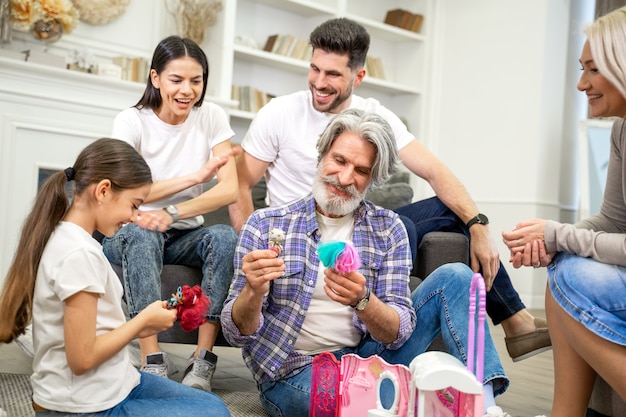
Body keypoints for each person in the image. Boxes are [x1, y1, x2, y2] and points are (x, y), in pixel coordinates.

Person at [228, 17, 549, 362]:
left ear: (358, 76)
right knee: (407, 227)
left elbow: (435, 172)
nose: (319, 83)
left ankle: (511, 321)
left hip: (357, 227)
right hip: (300, 234)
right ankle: (505, 321)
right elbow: (240, 185)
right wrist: (258, 250)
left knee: (449, 212)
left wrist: (479, 225)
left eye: (333, 74)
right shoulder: (279, 113)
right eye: (315, 69)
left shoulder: (375, 116)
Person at [221, 109, 510, 417]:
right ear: (321, 156)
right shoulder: (265, 225)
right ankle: (405, 398)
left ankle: (486, 405)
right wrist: (253, 292)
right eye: (339, 160)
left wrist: (363, 302)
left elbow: (397, 332)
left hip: (369, 359)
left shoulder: (389, 229)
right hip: (294, 371)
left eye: (360, 170)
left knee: (457, 276)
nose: (345, 178)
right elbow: (237, 332)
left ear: (373, 179)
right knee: (344, 403)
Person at [0, 138, 230, 416]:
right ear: (104, 191)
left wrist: (146, 323)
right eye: (134, 205)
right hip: (82, 404)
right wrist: (141, 322)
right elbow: (81, 359)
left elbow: (99, 328)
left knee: (212, 406)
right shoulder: (78, 255)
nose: (134, 217)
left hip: (115, 382)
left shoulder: (77, 241)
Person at [501, 7, 626, 416]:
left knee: (573, 272)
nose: (581, 83)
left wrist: (559, 236)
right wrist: (552, 240)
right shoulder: (622, 128)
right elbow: (612, 220)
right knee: (566, 266)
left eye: (592, 69)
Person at [102, 35, 240, 392]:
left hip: (182, 233)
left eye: (196, 81)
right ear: (155, 78)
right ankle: (152, 358)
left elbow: (228, 189)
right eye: (176, 80)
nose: (187, 90)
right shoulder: (131, 121)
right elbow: (124, 191)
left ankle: (203, 359)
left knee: (224, 236)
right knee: (142, 234)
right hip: (130, 228)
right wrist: (194, 178)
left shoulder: (211, 117)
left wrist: (172, 211)